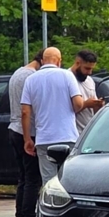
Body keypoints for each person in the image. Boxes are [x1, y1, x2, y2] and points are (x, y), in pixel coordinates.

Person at [20, 47, 84, 185]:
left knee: (48, 181)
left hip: (44, 139)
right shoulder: (67, 76)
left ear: (42, 61)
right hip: (68, 136)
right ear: (59, 61)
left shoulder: (30, 80)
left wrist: (27, 139)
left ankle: (50, 205)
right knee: (69, 178)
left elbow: (25, 111)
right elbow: (78, 104)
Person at [7, 49, 44, 217]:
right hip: (26, 130)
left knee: (23, 178)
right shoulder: (32, 77)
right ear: (42, 61)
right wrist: (29, 137)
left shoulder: (18, 73)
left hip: (13, 129)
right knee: (32, 179)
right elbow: (27, 110)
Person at [70, 49, 106, 132]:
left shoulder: (89, 80)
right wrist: (86, 104)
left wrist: (98, 104)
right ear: (78, 63)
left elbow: (94, 111)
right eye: (87, 68)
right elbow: (63, 110)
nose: (90, 72)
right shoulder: (66, 78)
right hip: (73, 133)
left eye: (91, 69)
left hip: (88, 132)